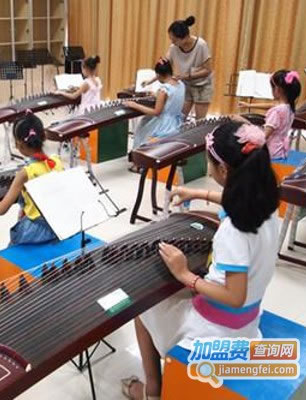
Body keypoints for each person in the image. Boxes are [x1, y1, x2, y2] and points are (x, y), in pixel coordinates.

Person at [122, 121, 280, 400]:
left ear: (223, 170)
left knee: (142, 306)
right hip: (247, 322)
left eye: (210, 162)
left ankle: (153, 391)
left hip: (217, 332)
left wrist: (185, 275)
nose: (208, 167)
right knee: (179, 293)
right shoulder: (268, 203)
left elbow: (234, 296)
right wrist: (199, 193)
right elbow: (238, 198)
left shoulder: (233, 230)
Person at [0, 111, 63, 245]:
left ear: (19, 144)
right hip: (60, 224)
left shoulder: (25, 173)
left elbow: (1, 209)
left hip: (38, 231)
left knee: (12, 243)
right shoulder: (56, 161)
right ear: (44, 137)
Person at [143, 16, 213, 120]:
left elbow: (208, 70)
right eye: (171, 39)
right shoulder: (174, 47)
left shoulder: (201, 45)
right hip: (186, 85)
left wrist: (186, 76)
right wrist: (150, 81)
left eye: (174, 40)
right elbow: (164, 67)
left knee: (200, 121)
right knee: (179, 118)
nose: (172, 42)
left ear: (185, 37)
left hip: (202, 86)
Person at [233, 70, 301, 160]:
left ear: (278, 89)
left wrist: (244, 122)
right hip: (280, 150)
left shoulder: (276, 112)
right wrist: (249, 105)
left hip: (270, 153)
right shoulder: (288, 107)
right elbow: (273, 105)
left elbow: (262, 137)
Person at [125, 58, 185, 153]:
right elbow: (172, 98)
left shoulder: (163, 90)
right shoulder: (181, 84)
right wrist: (157, 95)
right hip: (176, 122)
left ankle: (138, 156)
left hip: (164, 125)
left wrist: (134, 105)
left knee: (142, 127)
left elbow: (156, 112)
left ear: (158, 75)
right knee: (145, 122)